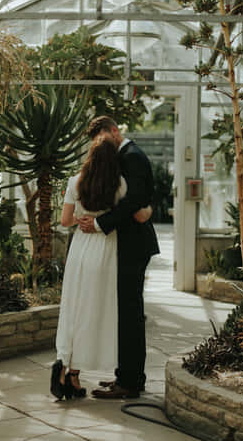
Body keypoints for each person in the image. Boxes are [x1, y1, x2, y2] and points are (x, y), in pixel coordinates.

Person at [51, 137, 151, 400]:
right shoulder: (119, 185)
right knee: (93, 312)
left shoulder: (75, 181)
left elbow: (64, 221)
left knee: (74, 308)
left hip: (79, 251)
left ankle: (67, 370)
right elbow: (139, 215)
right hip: (105, 251)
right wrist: (148, 209)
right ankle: (76, 373)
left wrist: (81, 219)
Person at [77, 116, 160, 400]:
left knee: (130, 315)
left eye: (103, 139)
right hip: (126, 246)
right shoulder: (123, 157)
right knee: (125, 314)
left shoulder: (132, 156)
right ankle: (125, 376)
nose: (101, 146)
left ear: (114, 131)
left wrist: (100, 224)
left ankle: (131, 382)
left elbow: (134, 201)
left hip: (134, 247)